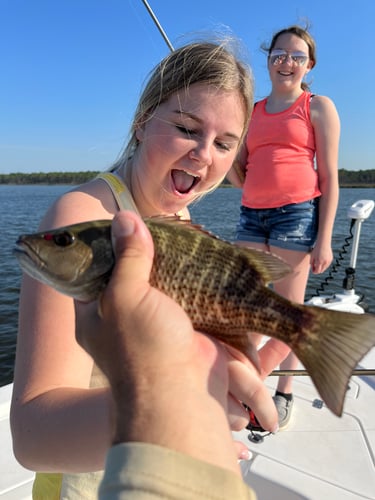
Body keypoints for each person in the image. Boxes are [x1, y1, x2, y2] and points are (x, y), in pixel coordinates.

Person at [11, 39, 286, 499]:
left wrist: (211, 415)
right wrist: (174, 411)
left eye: (223, 142)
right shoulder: (84, 219)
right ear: (141, 122)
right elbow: (34, 437)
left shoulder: (183, 227)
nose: (204, 153)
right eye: (185, 127)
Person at [74, 209, 266, 499]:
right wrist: (186, 420)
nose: (203, 159)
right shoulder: (84, 208)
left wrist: (198, 435)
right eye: (65, 241)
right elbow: (31, 436)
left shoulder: (181, 215)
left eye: (226, 157)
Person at [227, 25, 340, 430]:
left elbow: (328, 176)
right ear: (269, 60)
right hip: (251, 216)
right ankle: (244, 384)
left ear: (308, 65)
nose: (286, 62)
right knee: (246, 307)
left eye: (296, 56)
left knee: (289, 313)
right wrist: (254, 183)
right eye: (279, 54)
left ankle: (284, 391)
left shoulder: (317, 106)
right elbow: (236, 168)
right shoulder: (252, 111)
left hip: (296, 215)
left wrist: (323, 238)